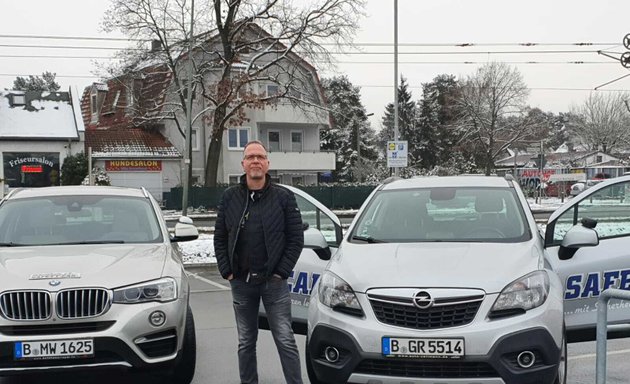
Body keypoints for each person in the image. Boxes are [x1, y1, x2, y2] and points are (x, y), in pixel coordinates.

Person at [214, 140, 304, 384]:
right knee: (246, 342)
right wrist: (227, 272)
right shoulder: (230, 197)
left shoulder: (283, 198)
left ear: (267, 164)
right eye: (250, 156)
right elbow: (220, 237)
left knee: (285, 339)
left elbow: (296, 239)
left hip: (273, 284)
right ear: (243, 164)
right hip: (241, 283)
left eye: (260, 157)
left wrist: (281, 272)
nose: (255, 160)